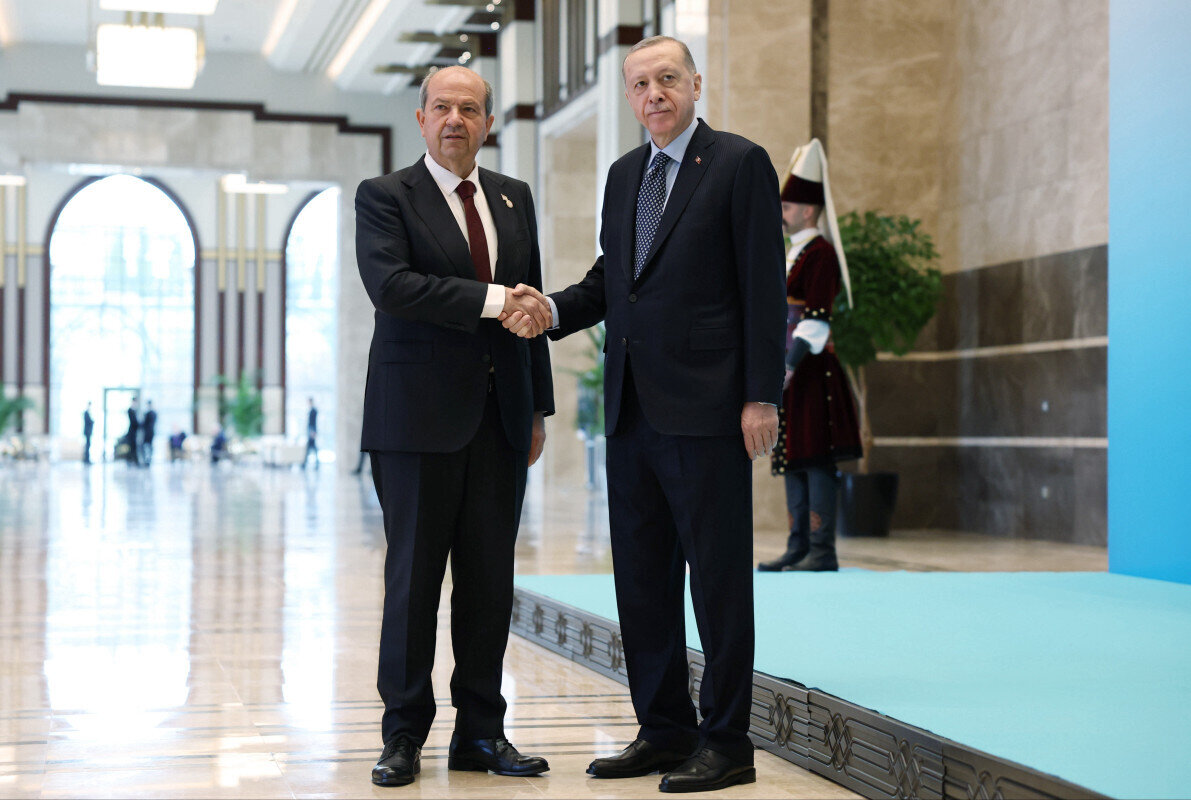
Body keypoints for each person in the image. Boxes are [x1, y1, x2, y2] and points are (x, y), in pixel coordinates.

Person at [504, 36, 785, 793]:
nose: (653, 93)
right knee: (641, 583)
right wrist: (552, 308)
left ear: (695, 83)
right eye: (639, 84)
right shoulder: (625, 173)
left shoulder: (739, 163)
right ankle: (664, 730)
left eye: (667, 79)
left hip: (709, 410)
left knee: (717, 586)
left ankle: (726, 742)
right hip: (631, 411)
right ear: (629, 97)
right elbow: (613, 280)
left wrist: (762, 395)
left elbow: (764, 285)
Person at [354, 65, 555, 788]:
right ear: (421, 118)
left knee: (489, 584)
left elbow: (532, 311)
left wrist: (537, 408)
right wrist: (496, 299)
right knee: (413, 583)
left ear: (488, 123)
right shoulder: (385, 196)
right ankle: (403, 734)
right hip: (414, 422)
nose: (454, 121)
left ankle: (481, 733)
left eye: (469, 109)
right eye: (442, 107)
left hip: (500, 421)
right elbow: (393, 288)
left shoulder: (513, 196)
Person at [759, 139, 863, 573]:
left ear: (806, 210)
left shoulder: (820, 253)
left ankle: (821, 552)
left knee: (816, 457)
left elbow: (816, 320)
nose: (781, 213)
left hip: (811, 370)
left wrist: (787, 364)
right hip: (793, 372)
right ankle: (797, 546)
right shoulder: (795, 253)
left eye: (786, 207)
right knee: (794, 454)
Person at [303, 397, 318, 469]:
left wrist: (313, 432)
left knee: (311, 447)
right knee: (311, 447)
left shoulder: (313, 411)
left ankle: (305, 463)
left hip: (312, 430)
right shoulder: (311, 410)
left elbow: (313, 422)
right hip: (310, 430)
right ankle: (305, 463)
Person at [125, 397, 141, 466]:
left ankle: (133, 460)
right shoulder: (130, 410)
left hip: (134, 432)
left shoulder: (134, 411)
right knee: (132, 447)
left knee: (133, 447)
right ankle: (132, 461)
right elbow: (134, 422)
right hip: (132, 432)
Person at [141, 400, 157, 465]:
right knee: (149, 446)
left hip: (148, 433)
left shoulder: (148, 414)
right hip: (151, 432)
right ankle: (149, 459)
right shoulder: (154, 413)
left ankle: (147, 459)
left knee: (146, 446)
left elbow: (144, 424)